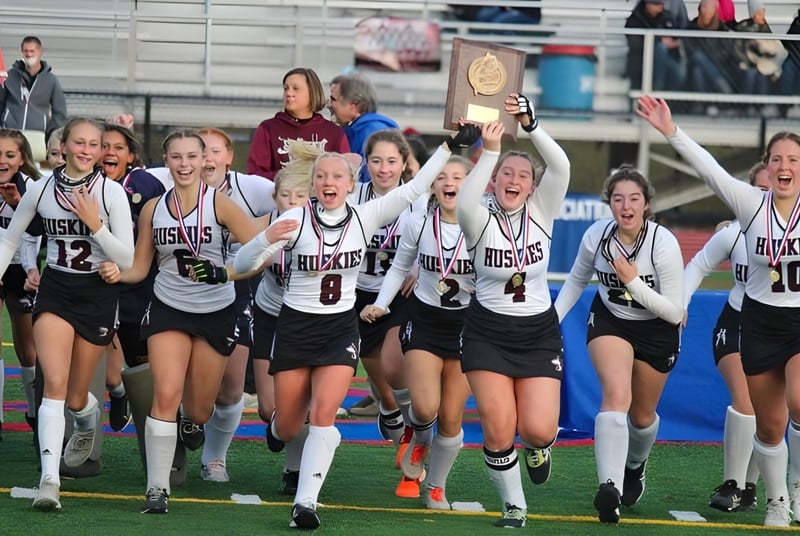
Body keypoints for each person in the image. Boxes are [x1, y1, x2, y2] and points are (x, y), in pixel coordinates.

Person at [233, 122, 478, 529]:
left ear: (351, 184)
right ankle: (278, 428)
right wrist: (263, 241)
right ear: (313, 184)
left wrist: (449, 145)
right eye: (322, 177)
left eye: (337, 177)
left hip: (338, 330)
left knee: (325, 415)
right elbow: (243, 265)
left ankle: (305, 503)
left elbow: (413, 189)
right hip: (295, 326)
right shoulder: (296, 220)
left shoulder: (366, 216)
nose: (329, 182)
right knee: (289, 422)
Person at [637, 94, 800, 527]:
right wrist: (671, 132)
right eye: (778, 158)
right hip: (759, 319)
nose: (785, 166)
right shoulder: (750, 205)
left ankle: (797, 487)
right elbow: (709, 169)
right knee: (768, 425)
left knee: (799, 401)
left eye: (794, 159)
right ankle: (775, 500)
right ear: (768, 165)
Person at [98, 129, 266, 514]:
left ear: (206, 160)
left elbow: (259, 255)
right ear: (166, 161)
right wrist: (116, 273)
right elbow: (141, 267)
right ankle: (157, 489)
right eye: (177, 157)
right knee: (166, 393)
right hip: (169, 307)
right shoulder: (153, 208)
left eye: (192, 156)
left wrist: (224, 272)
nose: (185, 164)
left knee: (199, 409)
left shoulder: (221, 205)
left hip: (216, 312)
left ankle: (192, 423)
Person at [0, 117, 134, 511]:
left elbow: (125, 257)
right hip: (56, 291)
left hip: (96, 295)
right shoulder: (42, 189)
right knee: (53, 384)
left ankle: (87, 419)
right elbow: (10, 237)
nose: (87, 150)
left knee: (78, 397)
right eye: (79, 142)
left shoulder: (111, 193)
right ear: (63, 145)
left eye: (95, 144)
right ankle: (49, 480)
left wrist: (95, 225)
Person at [456, 95, 569, 528]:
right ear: (495, 179)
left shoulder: (542, 210)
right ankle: (514, 506)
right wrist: (492, 151)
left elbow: (561, 168)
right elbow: (467, 197)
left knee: (538, 429)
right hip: (487, 331)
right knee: (500, 428)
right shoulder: (478, 215)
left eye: (523, 175)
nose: (515, 179)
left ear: (532, 186)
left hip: (538, 332)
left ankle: (540, 447)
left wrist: (532, 124)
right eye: (507, 173)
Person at [554, 165, 684, 524]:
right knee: (615, 395)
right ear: (608, 204)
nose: (626, 206)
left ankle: (634, 464)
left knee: (642, 417)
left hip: (657, 329)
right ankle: (608, 487)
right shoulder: (597, 235)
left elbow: (675, 313)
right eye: (618, 198)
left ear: (646, 204)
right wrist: (549, 320)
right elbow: (576, 281)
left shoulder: (663, 242)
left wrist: (633, 282)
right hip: (611, 321)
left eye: (634, 198)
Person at [360, 155, 475, 509]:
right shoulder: (419, 221)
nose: (449, 183)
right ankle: (420, 436)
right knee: (425, 408)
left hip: (469, 326)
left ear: (472, 182)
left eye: (458, 177)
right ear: (432, 184)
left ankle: (436, 486)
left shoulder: (485, 224)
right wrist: (381, 302)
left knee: (452, 416)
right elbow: (398, 268)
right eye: (441, 177)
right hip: (425, 320)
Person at [684, 162, 771, 513]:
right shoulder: (733, 232)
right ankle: (732, 483)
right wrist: (679, 305)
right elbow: (699, 264)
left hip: (778, 328)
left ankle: (751, 488)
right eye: (759, 190)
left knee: (770, 412)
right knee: (746, 400)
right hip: (735, 322)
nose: (767, 197)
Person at [195, 126, 275, 483]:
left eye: (215, 151)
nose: (207, 158)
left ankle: (215, 458)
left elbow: (295, 199)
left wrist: (257, 228)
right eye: (200, 151)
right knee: (185, 380)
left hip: (238, 288)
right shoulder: (172, 185)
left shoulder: (252, 187)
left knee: (231, 383)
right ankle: (177, 446)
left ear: (229, 156)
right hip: (184, 288)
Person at [348, 129, 421, 488]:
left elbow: (438, 239)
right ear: (366, 162)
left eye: (392, 160)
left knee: (395, 365)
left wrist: (420, 267)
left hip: (399, 296)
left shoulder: (417, 201)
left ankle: (413, 428)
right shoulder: (353, 195)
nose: (383, 168)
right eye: (376, 160)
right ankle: (389, 409)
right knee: (374, 370)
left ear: (404, 163)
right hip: (355, 292)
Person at [249, 141, 314, 495]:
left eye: (300, 196)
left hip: (308, 320)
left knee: (300, 402)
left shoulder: (328, 226)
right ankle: (281, 432)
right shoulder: (265, 224)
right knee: (269, 409)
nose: (291, 203)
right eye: (284, 195)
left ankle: (295, 469)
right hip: (270, 312)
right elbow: (242, 259)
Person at [100, 123, 166, 438]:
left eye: (117, 147)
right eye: (103, 145)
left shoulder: (142, 184)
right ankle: (117, 394)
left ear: (131, 156)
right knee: (112, 378)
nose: (108, 152)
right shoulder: (82, 184)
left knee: (143, 369)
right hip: (93, 284)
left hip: (137, 287)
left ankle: (160, 428)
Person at [0, 129, 42, 441]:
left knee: (27, 348)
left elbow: (34, 235)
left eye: (9, 154)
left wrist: (16, 204)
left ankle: (34, 411)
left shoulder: (32, 188)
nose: (2, 160)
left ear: (22, 158)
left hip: (19, 269)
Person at [246, 67, 350, 180]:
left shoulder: (334, 133)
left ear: (312, 92)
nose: (289, 93)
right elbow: (254, 175)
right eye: (286, 88)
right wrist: (287, 176)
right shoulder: (268, 129)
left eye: (296, 89)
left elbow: (346, 174)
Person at [329, 73, 399, 183]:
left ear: (354, 104)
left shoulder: (373, 131)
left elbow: (372, 179)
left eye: (333, 99)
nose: (329, 105)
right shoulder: (356, 130)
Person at [0, 37, 67, 134]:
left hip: (37, 135)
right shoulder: (10, 76)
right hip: (10, 133)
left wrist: (50, 133)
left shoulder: (51, 80)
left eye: (32, 51)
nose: (29, 54)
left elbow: (60, 112)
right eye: (25, 51)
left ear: (40, 51)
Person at [625, 0, 687, 91]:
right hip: (641, 62)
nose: (661, 7)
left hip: (668, 61)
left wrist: (676, 42)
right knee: (659, 48)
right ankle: (657, 87)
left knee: (678, 74)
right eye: (657, 4)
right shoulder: (635, 20)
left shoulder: (667, 17)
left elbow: (678, 37)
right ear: (647, 5)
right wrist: (659, 40)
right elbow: (635, 44)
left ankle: (659, 88)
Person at [733, 1, 787, 99]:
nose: (762, 16)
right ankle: (746, 103)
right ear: (753, 15)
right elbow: (739, 50)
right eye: (759, 13)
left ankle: (762, 104)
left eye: (763, 13)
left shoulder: (767, 28)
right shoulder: (742, 29)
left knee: (764, 75)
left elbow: (776, 47)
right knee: (752, 74)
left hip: (766, 62)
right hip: (748, 63)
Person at [685, 0, 738, 98]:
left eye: (709, 9)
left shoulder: (722, 29)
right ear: (699, 9)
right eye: (704, 8)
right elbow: (690, 51)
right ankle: (717, 89)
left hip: (720, 66)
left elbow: (726, 52)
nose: (706, 11)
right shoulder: (691, 28)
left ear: (715, 11)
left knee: (701, 65)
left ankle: (715, 99)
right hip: (698, 67)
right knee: (698, 66)